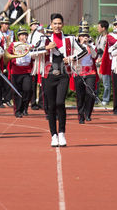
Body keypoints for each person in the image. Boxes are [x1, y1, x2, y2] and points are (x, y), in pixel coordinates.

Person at [39, 13, 86, 147]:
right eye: (55, 24)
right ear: (51, 25)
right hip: (48, 74)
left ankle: (62, 133)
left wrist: (71, 58)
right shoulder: (45, 39)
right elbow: (32, 51)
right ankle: (53, 135)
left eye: (59, 23)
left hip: (64, 73)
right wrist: (45, 48)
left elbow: (83, 51)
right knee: (51, 106)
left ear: (63, 25)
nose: (57, 26)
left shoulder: (70, 39)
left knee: (60, 102)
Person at [6, 28, 35, 118]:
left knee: (28, 90)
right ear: (18, 37)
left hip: (27, 71)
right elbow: (7, 55)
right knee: (17, 92)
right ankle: (18, 110)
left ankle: (24, 107)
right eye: (22, 35)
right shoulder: (13, 45)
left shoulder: (31, 45)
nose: (24, 37)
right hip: (16, 71)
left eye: (25, 35)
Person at [72, 25, 97, 123]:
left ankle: (88, 113)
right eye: (82, 36)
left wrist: (90, 45)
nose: (84, 38)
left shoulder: (91, 46)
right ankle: (80, 115)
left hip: (90, 71)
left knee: (91, 93)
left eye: (86, 36)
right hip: (79, 72)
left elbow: (95, 56)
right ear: (78, 37)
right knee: (80, 95)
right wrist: (81, 45)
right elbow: (74, 57)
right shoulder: (75, 47)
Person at [95, 19, 111, 106]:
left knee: (106, 83)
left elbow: (108, 51)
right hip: (97, 62)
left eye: (99, 27)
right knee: (96, 81)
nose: (97, 28)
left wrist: (102, 58)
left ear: (103, 28)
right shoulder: (98, 37)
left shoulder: (109, 38)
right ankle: (96, 99)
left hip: (105, 63)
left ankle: (106, 99)